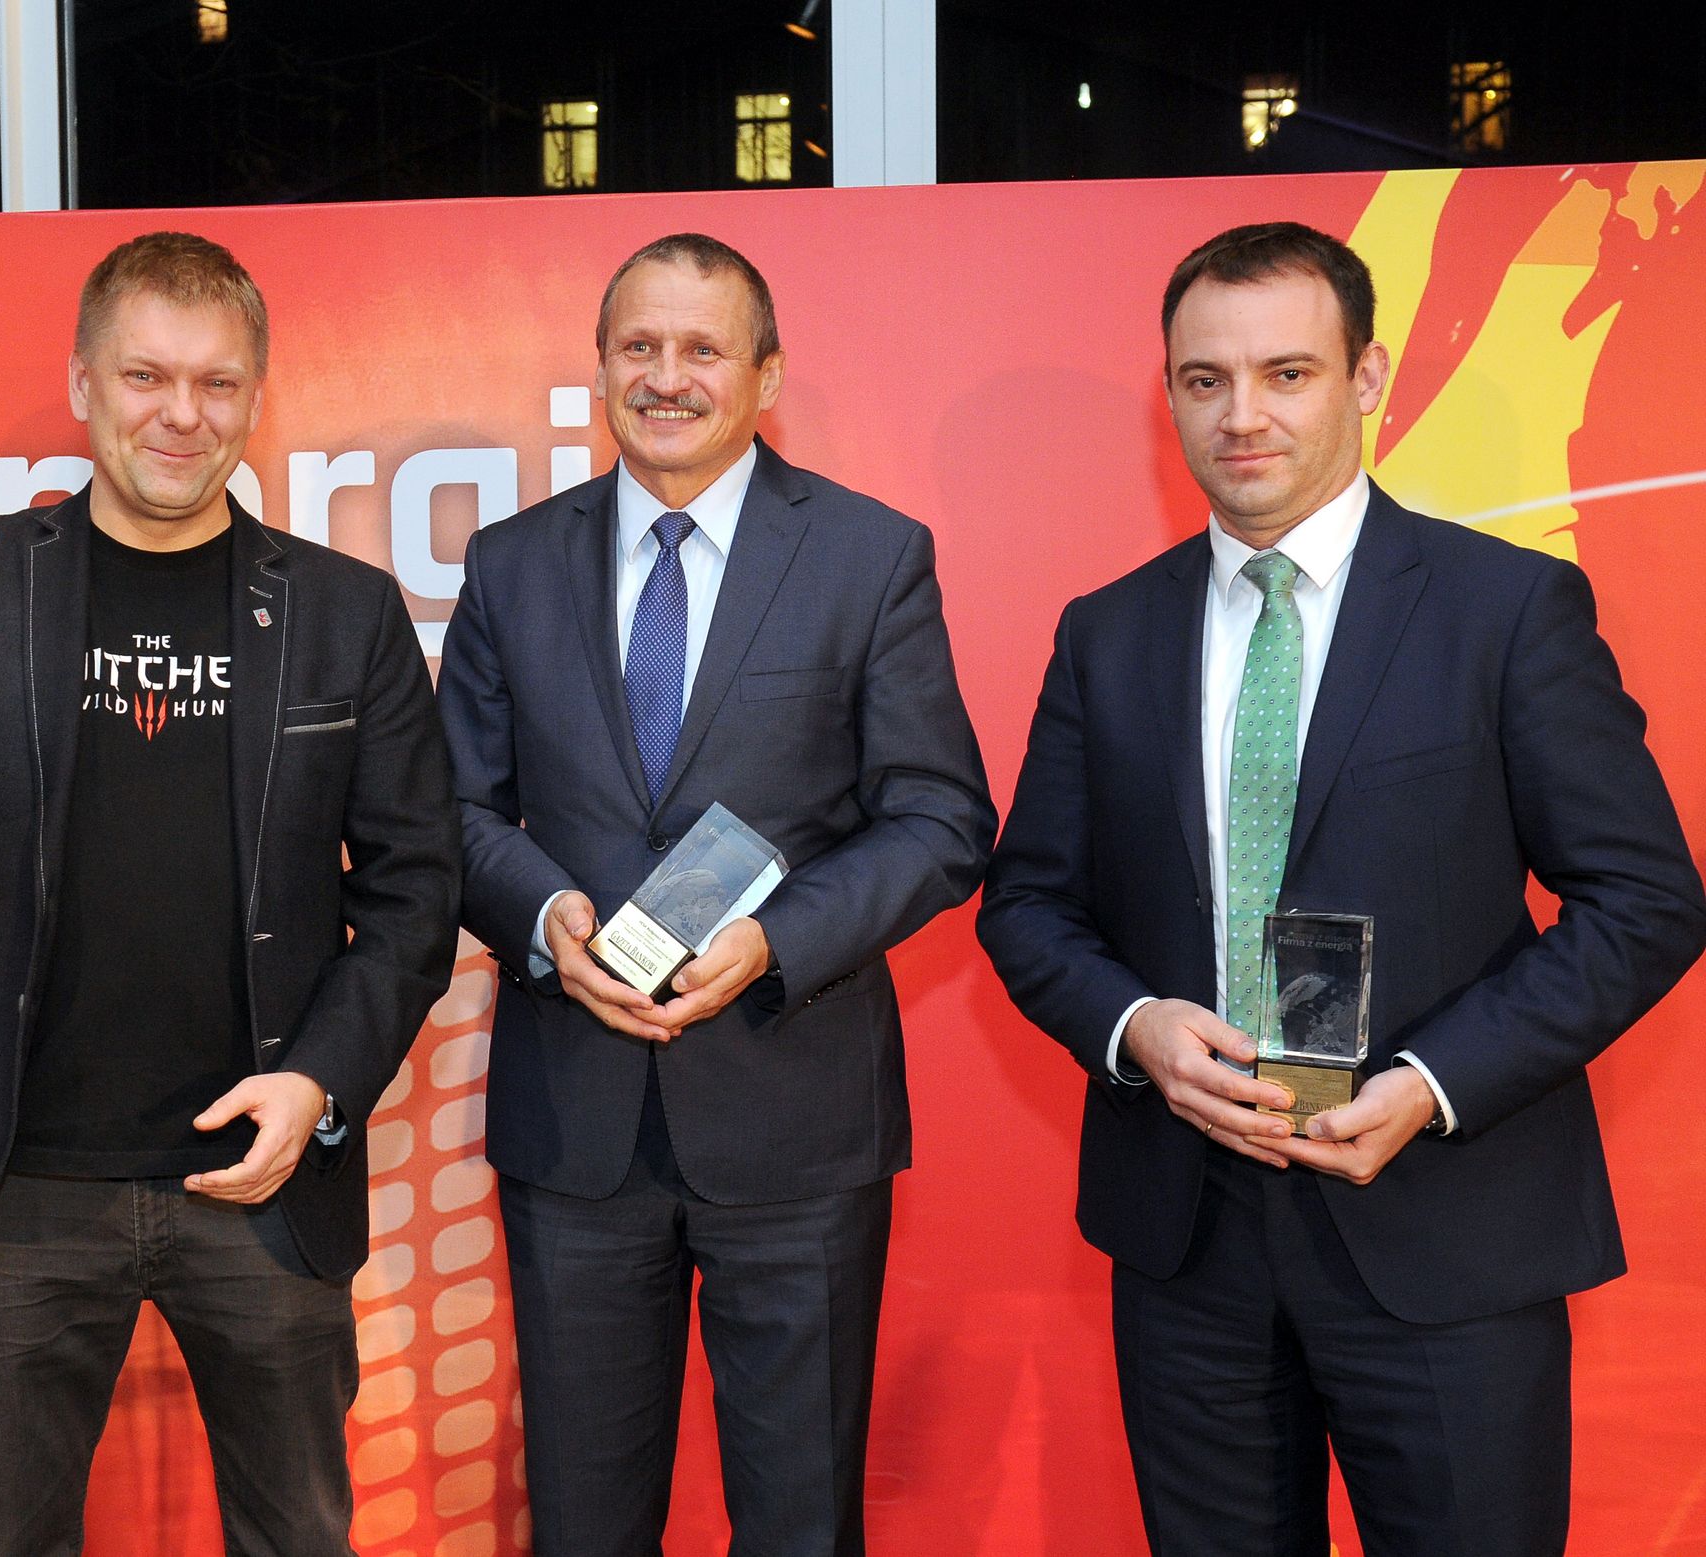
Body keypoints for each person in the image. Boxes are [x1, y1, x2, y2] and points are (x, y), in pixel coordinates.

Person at [977, 221, 1706, 1556]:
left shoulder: (1508, 609)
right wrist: (1136, 1029)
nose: (1242, 416)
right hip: (1188, 1248)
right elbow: (1027, 903)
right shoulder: (1108, 631)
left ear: (1367, 378)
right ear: (1169, 393)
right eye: (1205, 380)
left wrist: (1428, 1084)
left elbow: (1644, 899)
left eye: (1288, 374)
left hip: (1447, 1232)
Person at [0, 230, 459, 1556]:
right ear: (83, 385)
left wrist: (318, 1084)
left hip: (262, 1176)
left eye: (216, 382)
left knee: (300, 1537)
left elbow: (416, 893)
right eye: (146, 376)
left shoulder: (347, 611)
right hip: (16, 1177)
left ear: (256, 397)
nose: (180, 414)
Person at [437, 232, 994, 1555]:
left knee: (800, 1523)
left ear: (766, 376)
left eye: (702, 348)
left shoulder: (869, 555)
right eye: (639, 346)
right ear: (598, 368)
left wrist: (774, 941)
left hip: (796, 1121)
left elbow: (942, 818)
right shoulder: (511, 565)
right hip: (575, 1127)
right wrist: (544, 918)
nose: (666, 376)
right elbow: (448, 812)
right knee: (583, 1524)